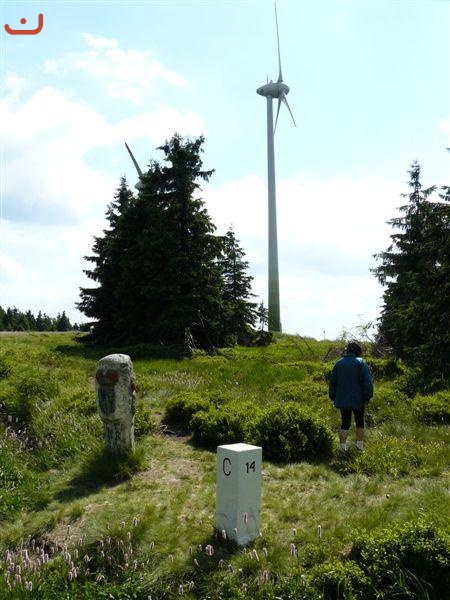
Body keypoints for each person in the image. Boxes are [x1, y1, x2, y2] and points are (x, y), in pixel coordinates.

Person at [328, 341, 373, 453]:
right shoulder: (361, 362)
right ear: (357, 351)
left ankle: (342, 449)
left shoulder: (338, 364)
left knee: (345, 423)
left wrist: (334, 397)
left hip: (342, 400)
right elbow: (367, 382)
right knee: (360, 422)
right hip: (358, 400)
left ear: (347, 351)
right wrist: (368, 396)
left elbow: (332, 383)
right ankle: (359, 449)